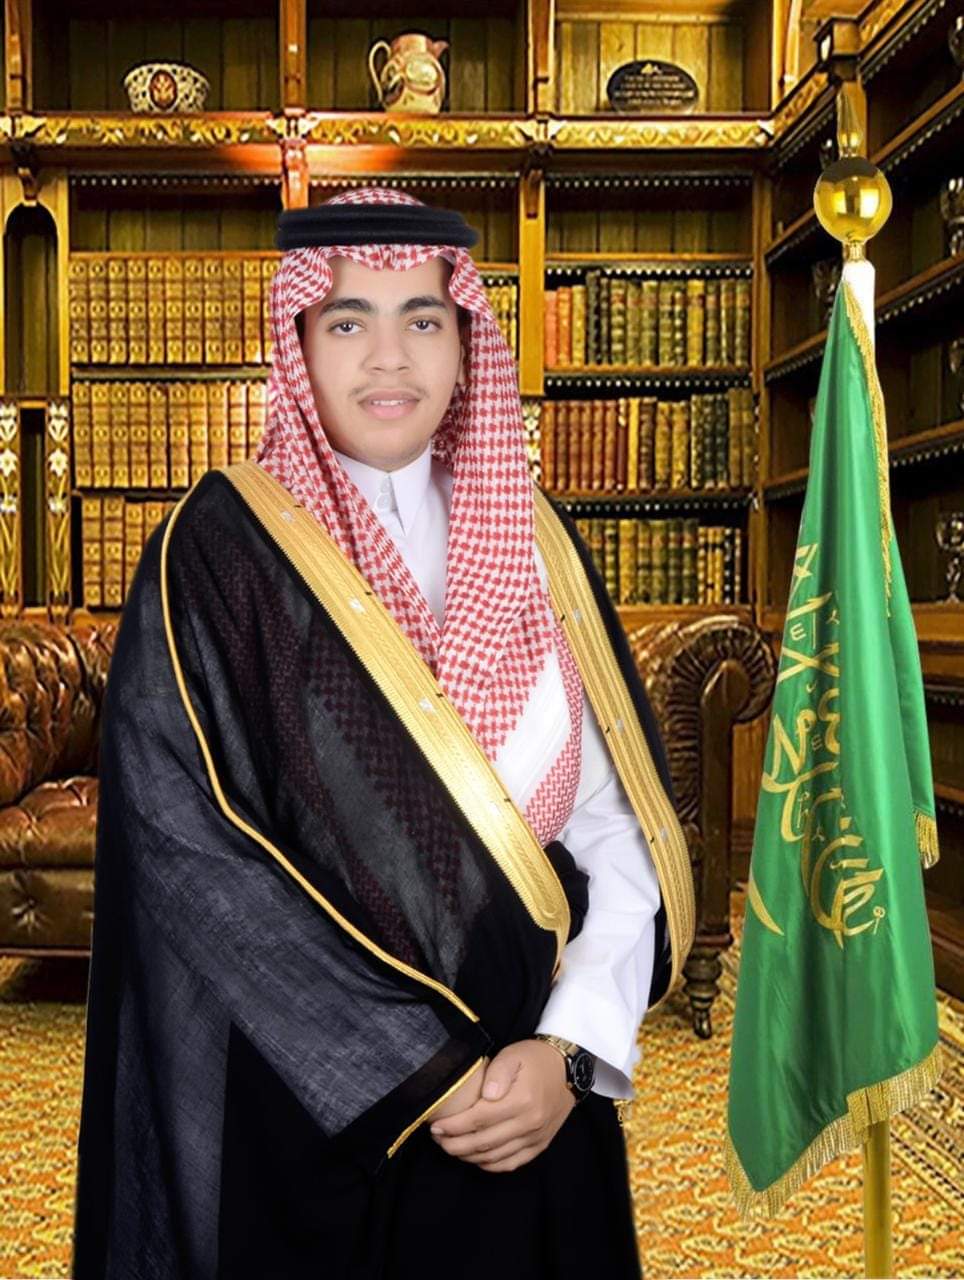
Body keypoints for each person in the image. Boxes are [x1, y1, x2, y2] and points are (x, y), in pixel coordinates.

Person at [71, 186, 695, 1279]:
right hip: (316, 1115)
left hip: (534, 1099)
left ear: (465, 342)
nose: (389, 357)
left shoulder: (540, 543)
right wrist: (413, 1066)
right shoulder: (215, 550)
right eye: (349, 319)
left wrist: (574, 1047)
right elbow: (189, 853)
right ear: (300, 342)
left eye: (423, 318)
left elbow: (614, 832)